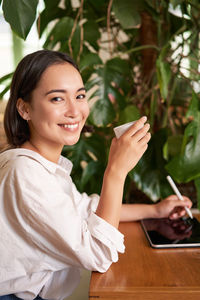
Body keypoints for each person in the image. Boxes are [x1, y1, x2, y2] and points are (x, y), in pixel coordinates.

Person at [0, 50, 192, 300]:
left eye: (80, 96)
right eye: (57, 99)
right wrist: (116, 171)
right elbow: (99, 255)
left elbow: (88, 209)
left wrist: (155, 210)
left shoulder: (41, 165)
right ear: (25, 109)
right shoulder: (24, 173)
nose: (75, 111)